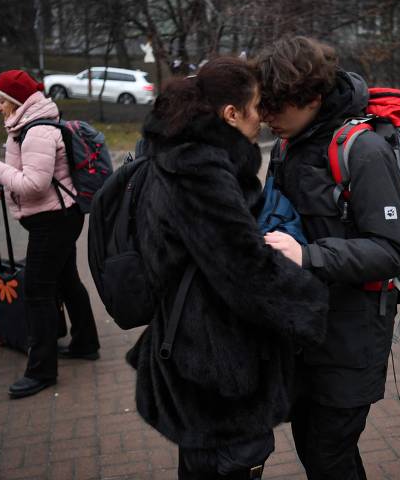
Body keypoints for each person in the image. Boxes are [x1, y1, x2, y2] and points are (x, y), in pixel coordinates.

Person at [125, 56, 329, 479]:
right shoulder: (201, 171)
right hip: (217, 365)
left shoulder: (176, 151)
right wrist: (310, 304)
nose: (263, 118)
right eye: (256, 107)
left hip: (192, 347)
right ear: (231, 114)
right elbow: (245, 269)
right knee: (230, 462)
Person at [255, 36, 400, 480]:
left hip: (352, 334)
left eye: (275, 107)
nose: (266, 120)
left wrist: (308, 255)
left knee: (328, 450)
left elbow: (390, 250)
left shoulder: (363, 150)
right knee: (315, 444)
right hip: (306, 328)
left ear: (312, 98)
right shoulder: (288, 144)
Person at [0, 69, 100, 399]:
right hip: (56, 216)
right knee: (66, 280)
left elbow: (34, 185)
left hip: (53, 221)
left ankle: (42, 371)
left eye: (1, 100)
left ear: (16, 101)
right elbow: (28, 179)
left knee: (36, 291)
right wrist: (4, 184)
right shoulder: (25, 129)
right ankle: (86, 343)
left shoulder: (37, 134)